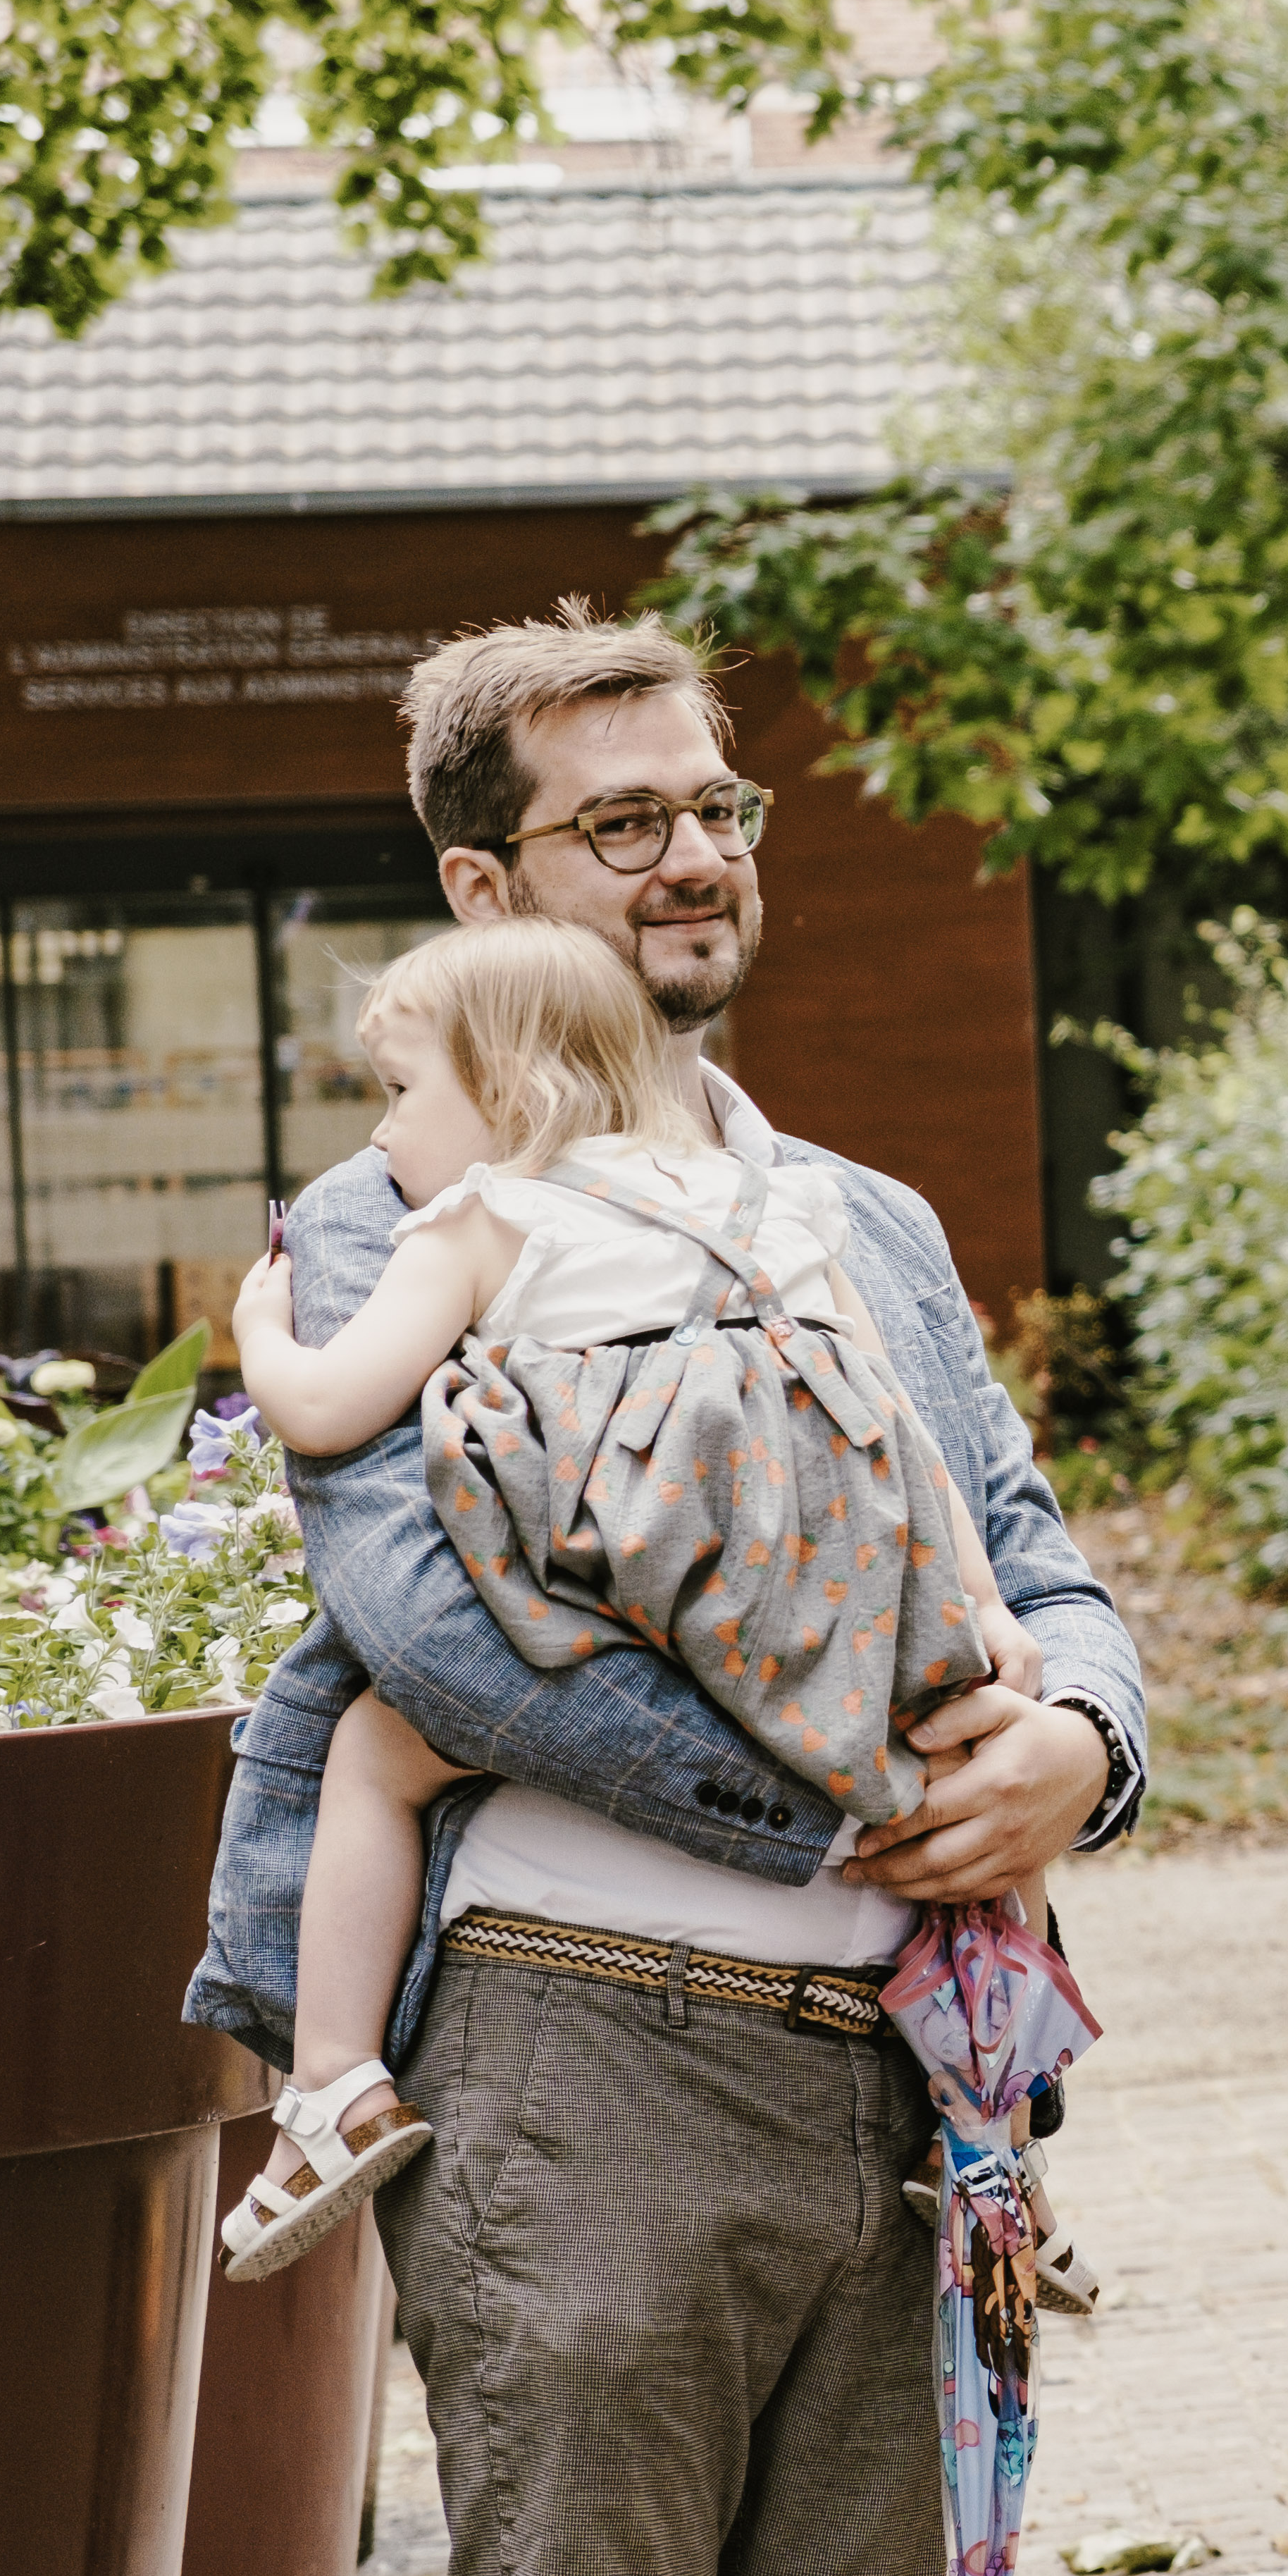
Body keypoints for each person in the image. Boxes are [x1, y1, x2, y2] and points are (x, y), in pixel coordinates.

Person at [181, 605, 1148, 2576]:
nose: (700, 849)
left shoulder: (860, 1217)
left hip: (895, 2122)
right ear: (490, 880)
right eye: (628, 822)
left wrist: (1074, 1743)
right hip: (583, 2078)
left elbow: (1038, 1567)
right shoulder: (395, 1211)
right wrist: (847, 1796)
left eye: (718, 804)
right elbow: (437, 1639)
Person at [206, 918, 1056, 2293]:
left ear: (516, 1095)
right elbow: (896, 1419)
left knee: (372, 1747)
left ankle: (331, 2087)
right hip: (836, 1600)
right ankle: (993, 2137)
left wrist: (258, 1322)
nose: (384, 1132)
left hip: (647, 1608)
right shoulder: (770, 1208)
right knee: (981, 1778)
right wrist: (975, 1603)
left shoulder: (481, 1220)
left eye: (400, 1089)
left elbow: (324, 1405)